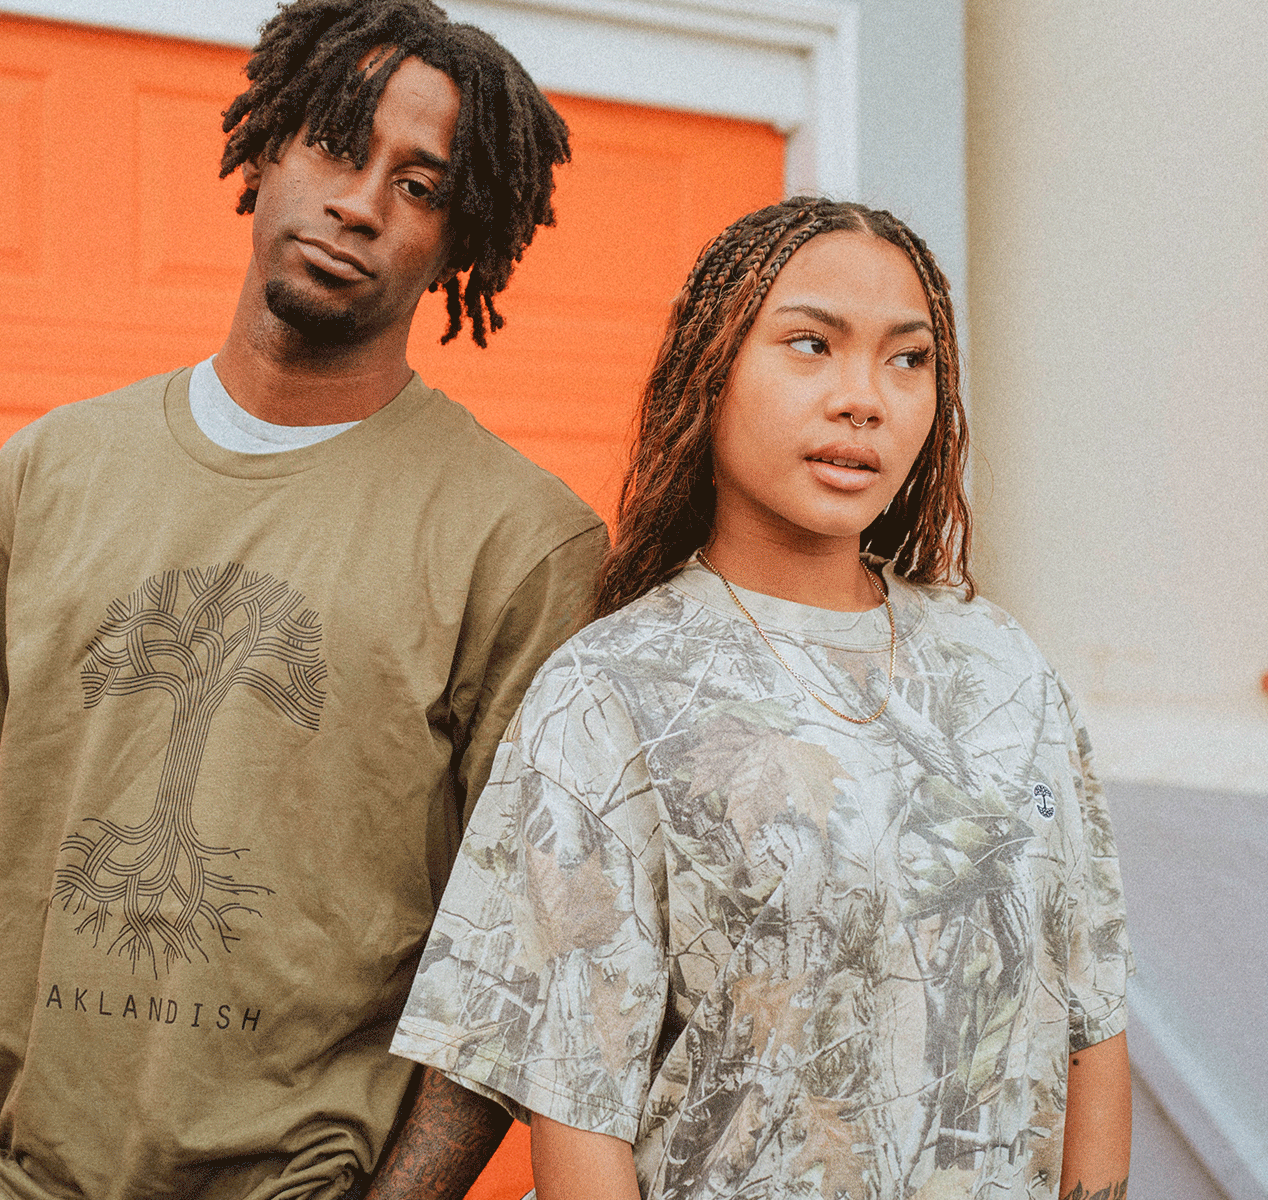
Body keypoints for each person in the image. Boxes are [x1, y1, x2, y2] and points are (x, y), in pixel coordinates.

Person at [0, 2, 597, 1196]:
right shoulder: (50, 471)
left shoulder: (520, 542)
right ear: (265, 148)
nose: (360, 203)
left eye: (418, 187)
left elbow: (516, 943)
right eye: (334, 142)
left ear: (457, 239)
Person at [389, 197, 1136, 1200]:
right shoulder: (610, 692)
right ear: (711, 371)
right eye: (809, 345)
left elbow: (1088, 1016)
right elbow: (578, 1111)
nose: (862, 398)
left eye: (906, 359)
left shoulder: (999, 668)